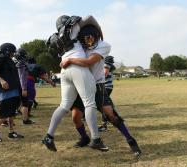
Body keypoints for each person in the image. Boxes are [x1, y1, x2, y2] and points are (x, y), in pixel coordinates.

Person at [61, 23, 141, 156]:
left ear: (97, 36)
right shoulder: (78, 46)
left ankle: (131, 141)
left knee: (112, 116)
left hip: (97, 86)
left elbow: (89, 62)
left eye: (91, 38)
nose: (89, 41)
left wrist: (70, 60)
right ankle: (85, 138)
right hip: (81, 86)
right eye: (86, 38)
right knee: (75, 118)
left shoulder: (104, 45)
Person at [42, 15, 108, 152]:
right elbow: (89, 17)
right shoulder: (72, 27)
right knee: (89, 103)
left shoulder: (56, 37)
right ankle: (96, 139)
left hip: (64, 70)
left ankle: (49, 136)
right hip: (79, 67)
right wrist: (99, 32)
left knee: (64, 105)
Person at [0, 43, 24, 142]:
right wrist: (2, 81)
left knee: (11, 113)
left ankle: (11, 132)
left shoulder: (10, 61)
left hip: (14, 89)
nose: (14, 53)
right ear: (7, 50)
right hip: (5, 91)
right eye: (12, 51)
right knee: (4, 113)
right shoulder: (0, 59)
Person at [15, 48, 56, 124]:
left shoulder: (19, 64)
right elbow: (43, 77)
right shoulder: (35, 66)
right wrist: (52, 83)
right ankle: (25, 116)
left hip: (18, 83)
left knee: (22, 100)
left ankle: (20, 112)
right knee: (28, 102)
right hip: (28, 83)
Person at [98, 55, 116, 132]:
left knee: (103, 105)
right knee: (107, 105)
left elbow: (105, 73)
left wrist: (96, 78)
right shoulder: (110, 65)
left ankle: (104, 125)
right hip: (108, 87)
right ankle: (111, 120)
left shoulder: (106, 64)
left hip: (105, 87)